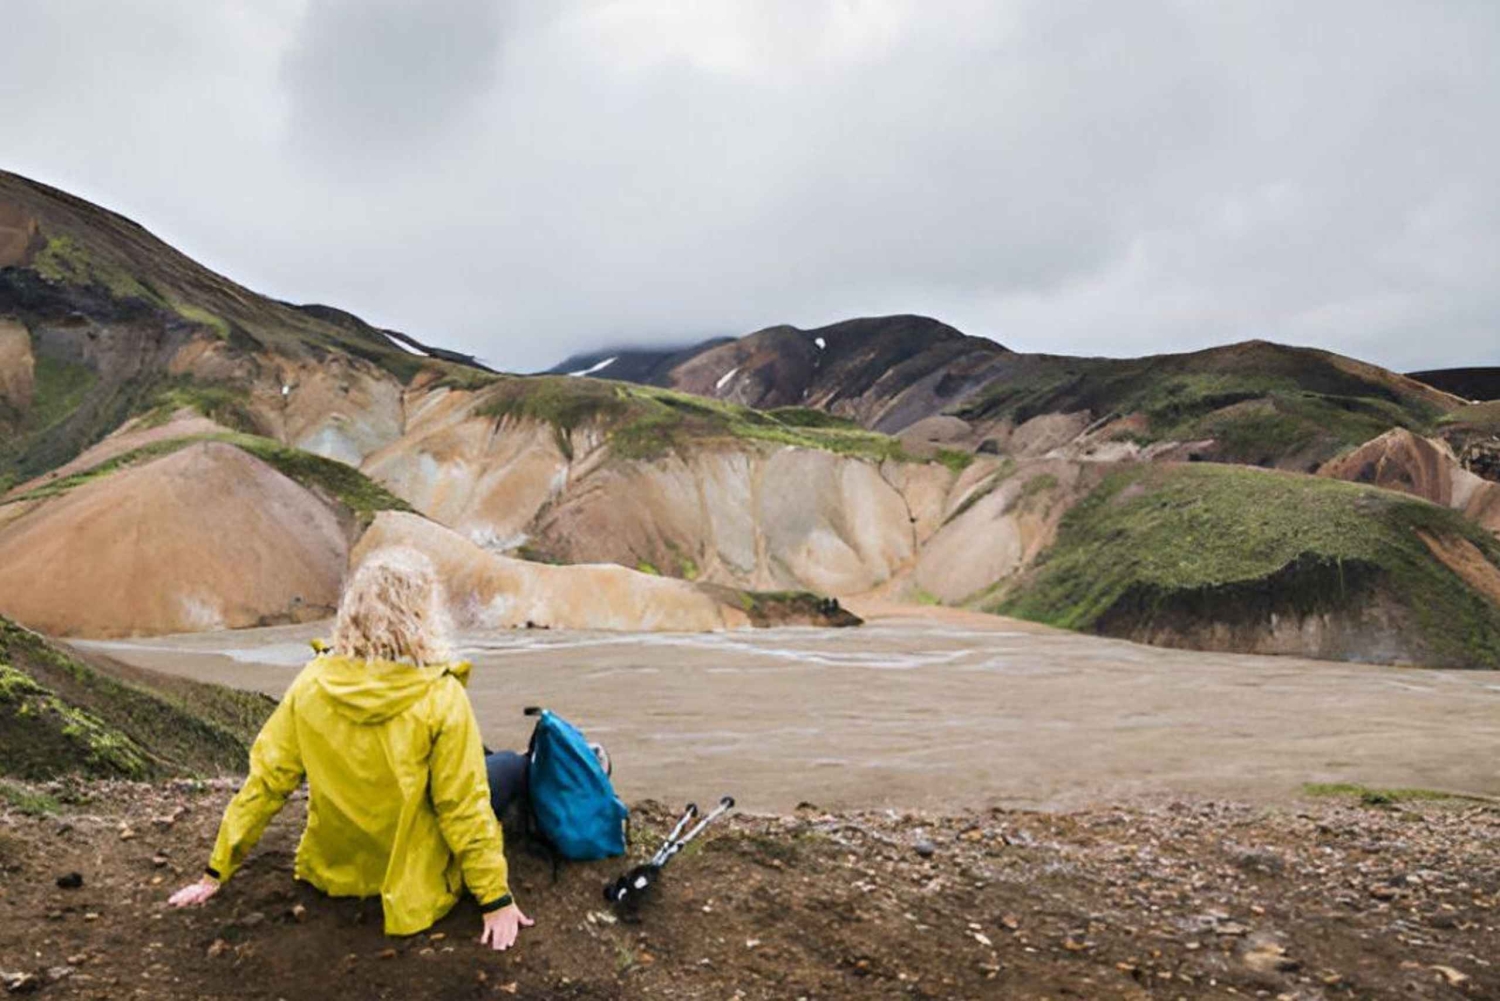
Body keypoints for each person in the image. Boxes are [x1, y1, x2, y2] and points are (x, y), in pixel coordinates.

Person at [168, 548, 534, 951]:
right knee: (510, 767)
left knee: (475, 755)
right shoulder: (442, 696)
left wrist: (214, 872)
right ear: (422, 616)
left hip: (337, 868)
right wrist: (495, 899)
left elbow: (266, 783)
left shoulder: (310, 685)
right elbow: (461, 806)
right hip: (409, 876)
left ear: (353, 611)